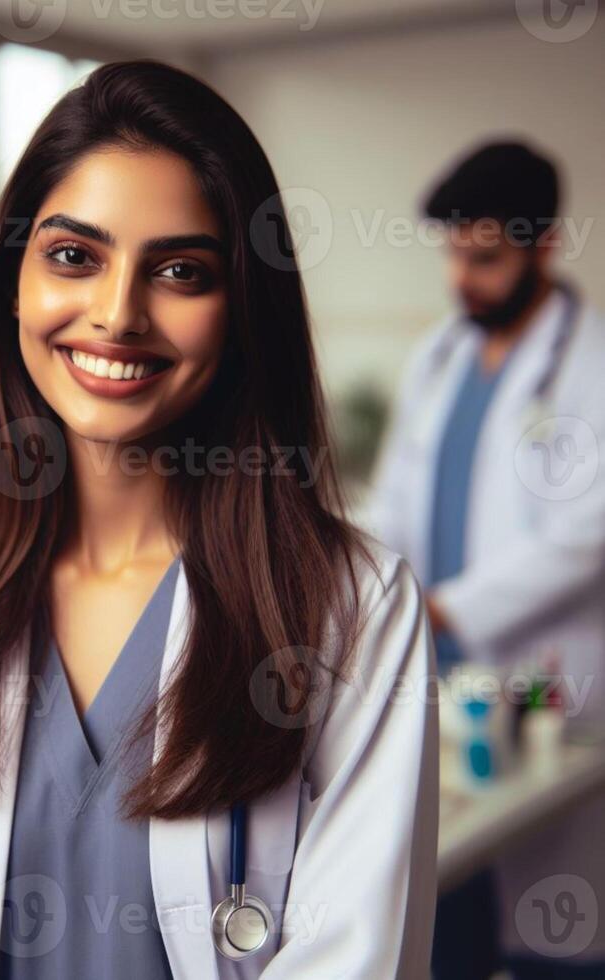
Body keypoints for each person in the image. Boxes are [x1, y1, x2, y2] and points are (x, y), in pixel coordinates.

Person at [0, 60, 438, 978]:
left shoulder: (352, 611)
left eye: (180, 270)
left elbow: (357, 956)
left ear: (243, 309)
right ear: (14, 282)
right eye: (73, 256)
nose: (117, 314)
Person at [366, 140, 605, 976]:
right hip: (436, 671)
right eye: (455, 254)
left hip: (549, 676)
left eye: (487, 257)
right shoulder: (441, 355)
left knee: (555, 927)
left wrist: (444, 608)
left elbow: (588, 530)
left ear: (544, 244)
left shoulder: (593, 363)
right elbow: (394, 495)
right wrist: (368, 584)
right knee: (444, 902)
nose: (463, 277)